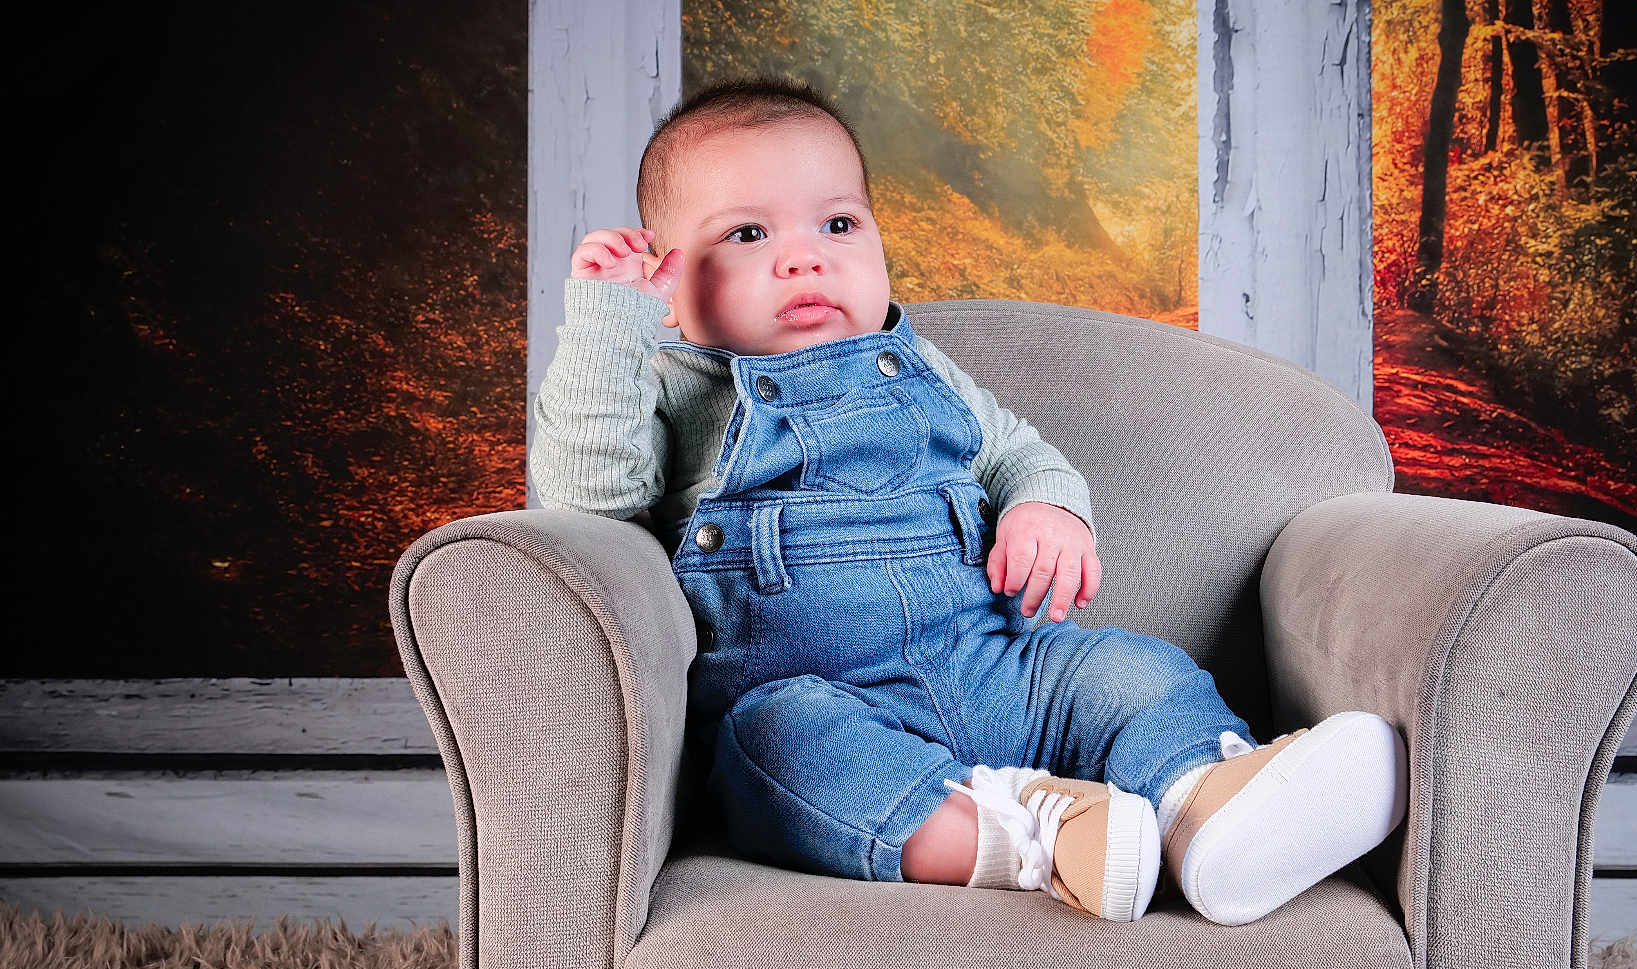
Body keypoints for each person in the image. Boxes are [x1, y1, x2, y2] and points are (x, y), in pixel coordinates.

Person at [530, 77, 1409, 926]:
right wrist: (612, 327)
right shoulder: (677, 386)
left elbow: (1019, 451)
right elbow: (588, 502)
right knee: (771, 751)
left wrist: (1046, 510)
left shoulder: (916, 368)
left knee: (1128, 671)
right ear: (669, 286)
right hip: (822, 696)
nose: (805, 254)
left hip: (1000, 666)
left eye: (839, 223)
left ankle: (1207, 803)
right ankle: (1038, 832)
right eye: (749, 233)